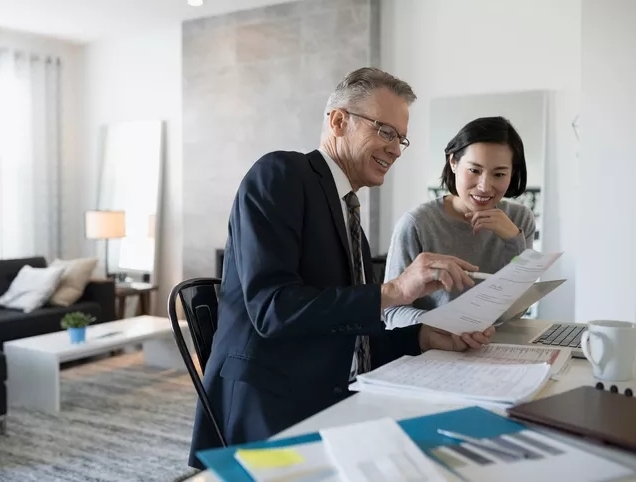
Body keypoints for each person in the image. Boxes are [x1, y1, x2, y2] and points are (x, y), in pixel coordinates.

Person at [188, 68, 496, 469]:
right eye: (385, 131)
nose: (397, 149)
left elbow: (351, 334)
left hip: (332, 395)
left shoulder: (347, 213)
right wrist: (395, 290)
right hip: (268, 409)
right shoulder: (281, 174)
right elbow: (273, 310)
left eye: (400, 138)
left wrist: (424, 337)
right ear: (338, 121)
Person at [383, 116, 536, 328]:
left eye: (499, 174)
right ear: (453, 162)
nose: (484, 186)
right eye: (474, 170)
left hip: (498, 347)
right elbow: (391, 312)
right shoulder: (416, 224)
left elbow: (519, 310)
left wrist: (514, 241)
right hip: (434, 352)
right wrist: (443, 329)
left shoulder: (520, 220)